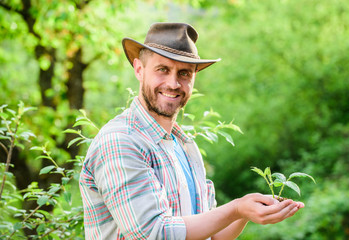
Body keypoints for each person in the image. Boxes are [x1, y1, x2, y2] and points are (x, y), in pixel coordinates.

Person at [79, 22, 304, 240]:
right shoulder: (121, 141)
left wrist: (247, 211)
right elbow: (154, 234)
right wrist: (235, 209)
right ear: (139, 69)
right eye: (163, 70)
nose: (173, 83)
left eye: (184, 73)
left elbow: (212, 234)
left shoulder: (184, 145)